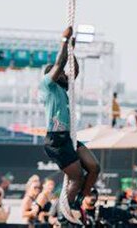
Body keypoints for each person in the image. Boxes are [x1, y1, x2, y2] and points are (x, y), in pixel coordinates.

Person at [40, 26, 100, 220]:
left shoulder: (63, 90)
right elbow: (60, 63)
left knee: (93, 168)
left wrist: (72, 51)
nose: (67, 77)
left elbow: (74, 70)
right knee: (76, 178)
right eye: (63, 75)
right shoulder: (48, 85)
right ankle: (61, 215)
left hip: (67, 137)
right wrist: (65, 42)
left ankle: (77, 200)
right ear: (55, 76)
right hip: (56, 140)